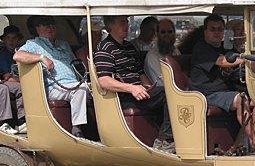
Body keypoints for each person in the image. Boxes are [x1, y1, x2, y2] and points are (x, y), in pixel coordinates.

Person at [94, 15, 175, 153]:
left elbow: (140, 73)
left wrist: (149, 87)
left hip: (138, 92)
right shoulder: (104, 47)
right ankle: (165, 140)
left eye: (126, 22)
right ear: (110, 26)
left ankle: (165, 138)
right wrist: (131, 88)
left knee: (171, 91)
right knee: (168, 93)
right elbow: (103, 80)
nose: (126, 25)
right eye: (122, 22)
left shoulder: (129, 47)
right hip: (124, 97)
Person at [13, 15, 91, 137]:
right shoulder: (33, 44)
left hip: (73, 82)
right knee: (81, 89)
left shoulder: (64, 44)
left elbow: (75, 63)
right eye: (46, 25)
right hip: (55, 87)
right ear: (37, 28)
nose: (50, 28)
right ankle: (77, 128)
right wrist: (41, 57)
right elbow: (17, 56)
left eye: (52, 25)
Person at [190, 14, 255, 147]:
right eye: (212, 29)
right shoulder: (201, 48)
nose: (216, 32)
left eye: (220, 29)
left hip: (223, 91)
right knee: (240, 100)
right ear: (205, 32)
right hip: (206, 95)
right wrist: (247, 58)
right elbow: (224, 61)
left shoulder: (224, 47)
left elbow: (236, 58)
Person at [144, 18, 180, 91]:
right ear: (157, 34)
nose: (167, 35)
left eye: (170, 32)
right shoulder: (152, 55)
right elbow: (164, 82)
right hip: (164, 94)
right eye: (163, 32)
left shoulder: (175, 51)